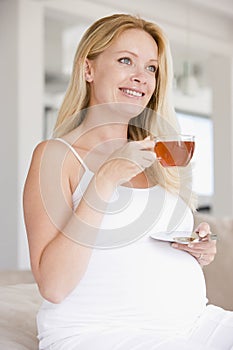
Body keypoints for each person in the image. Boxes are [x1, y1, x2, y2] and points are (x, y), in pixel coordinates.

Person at [23, 13, 232, 350]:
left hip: (194, 323)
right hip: (103, 332)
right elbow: (54, 285)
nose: (141, 77)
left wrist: (197, 249)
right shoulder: (56, 156)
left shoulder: (158, 158)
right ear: (88, 69)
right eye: (125, 60)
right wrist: (104, 181)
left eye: (151, 68)